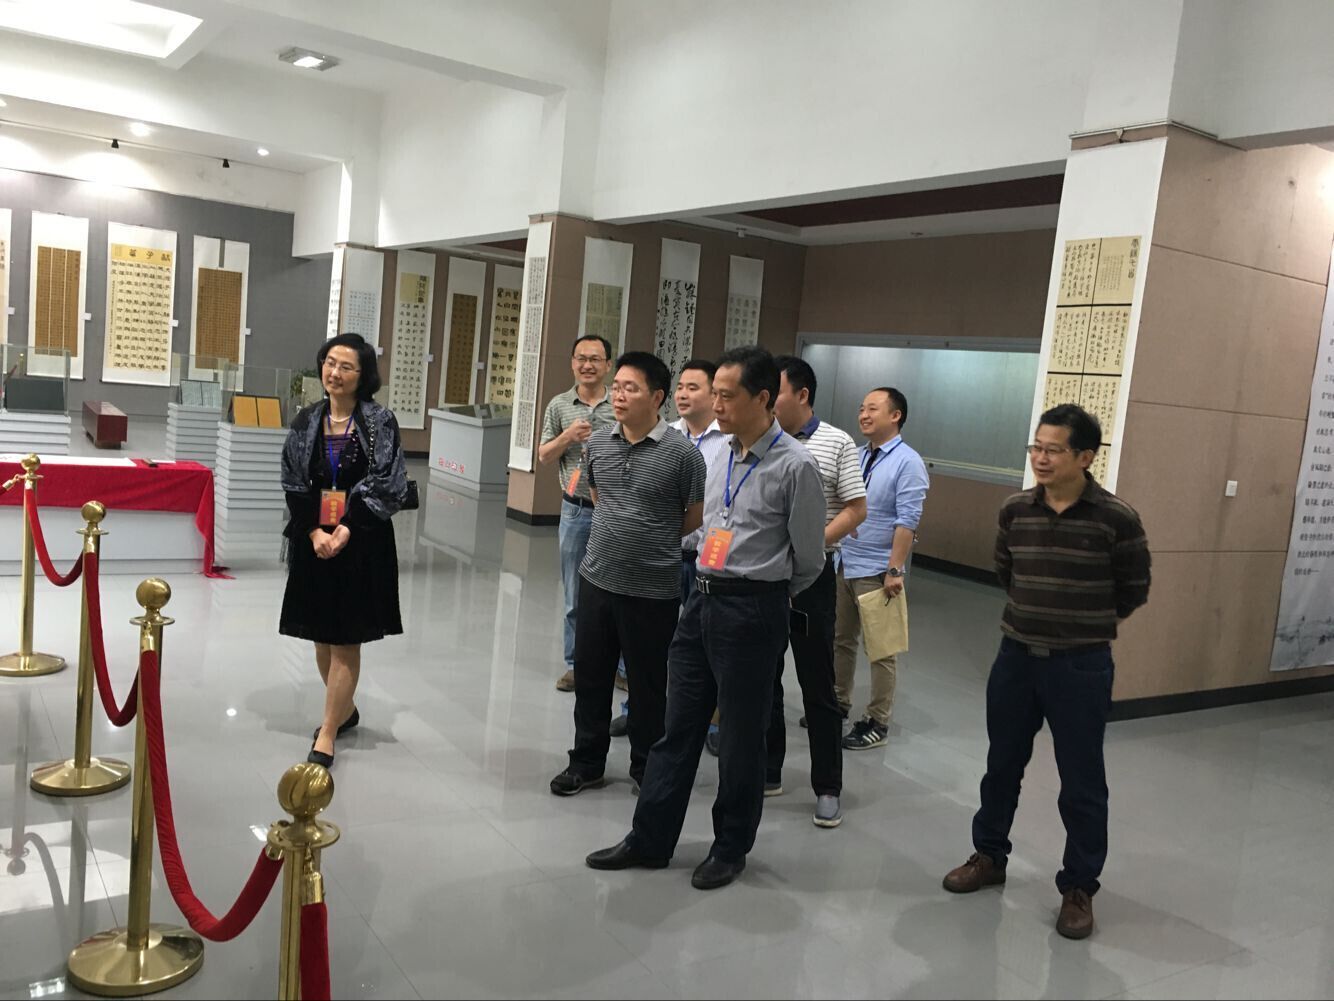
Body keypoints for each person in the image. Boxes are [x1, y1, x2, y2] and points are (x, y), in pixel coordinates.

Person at [585, 346, 825, 891]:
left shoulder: (795, 466)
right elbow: (700, 525)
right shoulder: (715, 455)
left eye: (726, 396)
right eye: (712, 393)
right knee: (677, 727)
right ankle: (649, 838)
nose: (715, 405)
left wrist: (763, 596)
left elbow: (809, 560)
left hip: (753, 608)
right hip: (700, 599)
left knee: (740, 737)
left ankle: (729, 847)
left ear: (762, 399)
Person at [942, 404, 1150, 941]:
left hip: (1080, 665)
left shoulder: (1116, 518)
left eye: (1053, 449)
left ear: (1085, 457)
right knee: (1001, 765)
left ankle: (1078, 886)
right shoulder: (1016, 509)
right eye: (1036, 447)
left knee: (1081, 779)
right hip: (1015, 657)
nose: (1040, 457)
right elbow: (1006, 571)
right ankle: (989, 856)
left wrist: (1079, 625)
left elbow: (1133, 589)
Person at [550, 352, 706, 796]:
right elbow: (598, 496)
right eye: (616, 386)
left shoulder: (683, 455)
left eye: (630, 388)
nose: (618, 395)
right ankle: (586, 762)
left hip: (653, 589)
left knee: (648, 684)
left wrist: (649, 538)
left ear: (657, 397)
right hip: (597, 579)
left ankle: (646, 766)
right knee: (592, 677)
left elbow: (694, 516)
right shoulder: (598, 443)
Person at [279, 333, 409, 769]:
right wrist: (314, 531)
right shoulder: (306, 420)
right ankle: (345, 710)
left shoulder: (379, 421)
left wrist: (347, 528)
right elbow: (293, 480)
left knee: (346, 641)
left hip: (362, 543)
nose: (334, 372)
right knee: (321, 634)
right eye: (330, 362)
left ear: (363, 375)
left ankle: (329, 731)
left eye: (346, 366)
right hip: (314, 541)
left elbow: (389, 482)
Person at [762, 355, 866, 827]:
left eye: (776, 390)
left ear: (802, 395)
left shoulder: (836, 442)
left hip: (813, 577)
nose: (767, 399)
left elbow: (856, 508)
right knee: (764, 676)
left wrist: (810, 544)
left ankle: (827, 786)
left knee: (816, 683)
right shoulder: (759, 440)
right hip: (764, 576)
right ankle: (769, 769)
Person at [835, 387, 929, 750]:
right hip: (845, 561)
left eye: (872, 409)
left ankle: (878, 721)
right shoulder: (857, 455)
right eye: (862, 408)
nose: (863, 415)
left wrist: (895, 569)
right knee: (841, 639)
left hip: (877, 568)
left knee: (881, 649)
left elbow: (907, 520)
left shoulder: (908, 462)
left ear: (895, 415)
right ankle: (838, 702)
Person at [538, 335, 615, 692]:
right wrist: (567, 436)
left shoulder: (620, 404)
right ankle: (575, 665)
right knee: (575, 594)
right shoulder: (559, 405)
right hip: (576, 510)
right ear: (572, 363)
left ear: (608, 365)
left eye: (595, 359)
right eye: (581, 358)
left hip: (615, 512)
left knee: (619, 591)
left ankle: (621, 667)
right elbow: (543, 455)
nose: (587, 365)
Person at [670, 359, 729, 752]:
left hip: (708, 560)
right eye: (680, 387)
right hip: (666, 555)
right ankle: (645, 708)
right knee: (658, 639)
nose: (683, 394)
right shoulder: (666, 436)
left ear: (713, 395)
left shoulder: (729, 440)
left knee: (709, 643)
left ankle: (713, 719)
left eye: (693, 387)